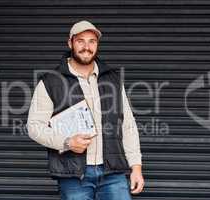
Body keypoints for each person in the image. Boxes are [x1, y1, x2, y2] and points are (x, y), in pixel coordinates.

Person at [27, 20, 144, 200]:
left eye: (92, 41)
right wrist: (67, 142)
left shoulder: (113, 79)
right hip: (74, 175)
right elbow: (34, 127)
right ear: (70, 43)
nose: (86, 47)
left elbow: (128, 125)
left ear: (97, 45)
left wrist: (136, 167)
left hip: (113, 173)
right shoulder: (50, 82)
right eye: (80, 40)